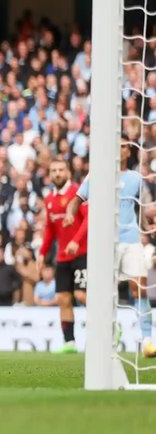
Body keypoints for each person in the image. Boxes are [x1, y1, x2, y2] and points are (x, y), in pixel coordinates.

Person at [66, 139, 156, 357]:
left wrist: (148, 227)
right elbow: (76, 199)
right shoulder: (97, 175)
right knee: (105, 291)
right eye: (117, 144)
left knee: (140, 287)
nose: (121, 148)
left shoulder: (135, 179)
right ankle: (110, 331)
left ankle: (147, 341)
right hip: (105, 241)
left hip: (131, 238)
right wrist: (70, 213)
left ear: (129, 151)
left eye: (125, 145)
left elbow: (142, 209)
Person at [37, 158, 88, 354]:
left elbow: (87, 220)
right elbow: (50, 229)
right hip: (62, 256)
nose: (57, 173)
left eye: (60, 170)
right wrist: (42, 252)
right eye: (53, 170)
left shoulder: (78, 194)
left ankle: (109, 323)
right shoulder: (49, 199)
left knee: (81, 294)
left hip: (82, 253)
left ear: (68, 172)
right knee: (63, 298)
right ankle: (70, 342)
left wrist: (76, 240)